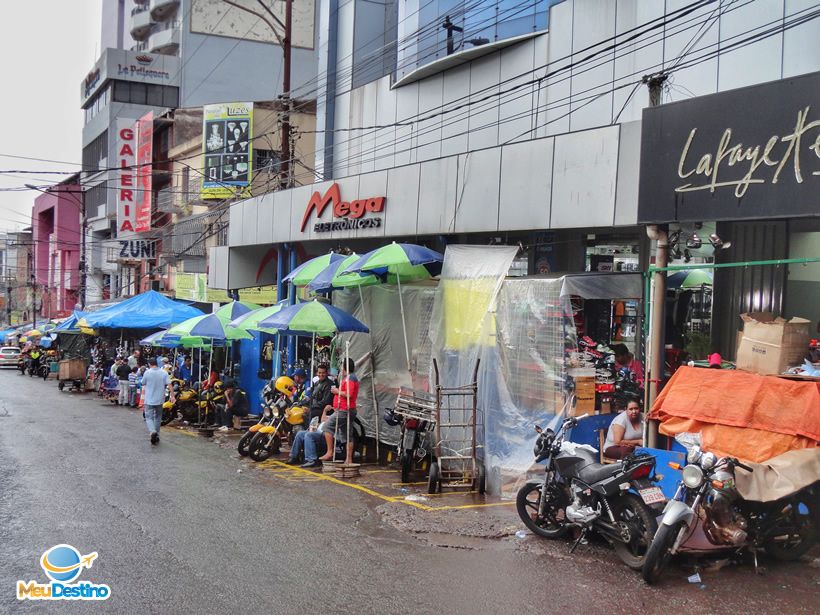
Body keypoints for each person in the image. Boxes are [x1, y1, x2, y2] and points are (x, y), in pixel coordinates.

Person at [318, 359, 359, 465]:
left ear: (345, 367)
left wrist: (337, 391)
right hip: (346, 409)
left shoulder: (350, 378)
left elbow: (349, 394)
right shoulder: (349, 378)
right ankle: (348, 459)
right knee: (347, 435)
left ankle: (330, 451)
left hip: (344, 409)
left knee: (327, 426)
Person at [142, 357, 174, 445]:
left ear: (149, 364)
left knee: (149, 417)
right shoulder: (163, 373)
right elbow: (170, 384)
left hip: (149, 399)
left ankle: (153, 432)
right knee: (158, 417)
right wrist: (172, 396)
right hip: (160, 400)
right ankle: (157, 435)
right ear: (156, 363)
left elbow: (143, 382)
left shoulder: (147, 372)